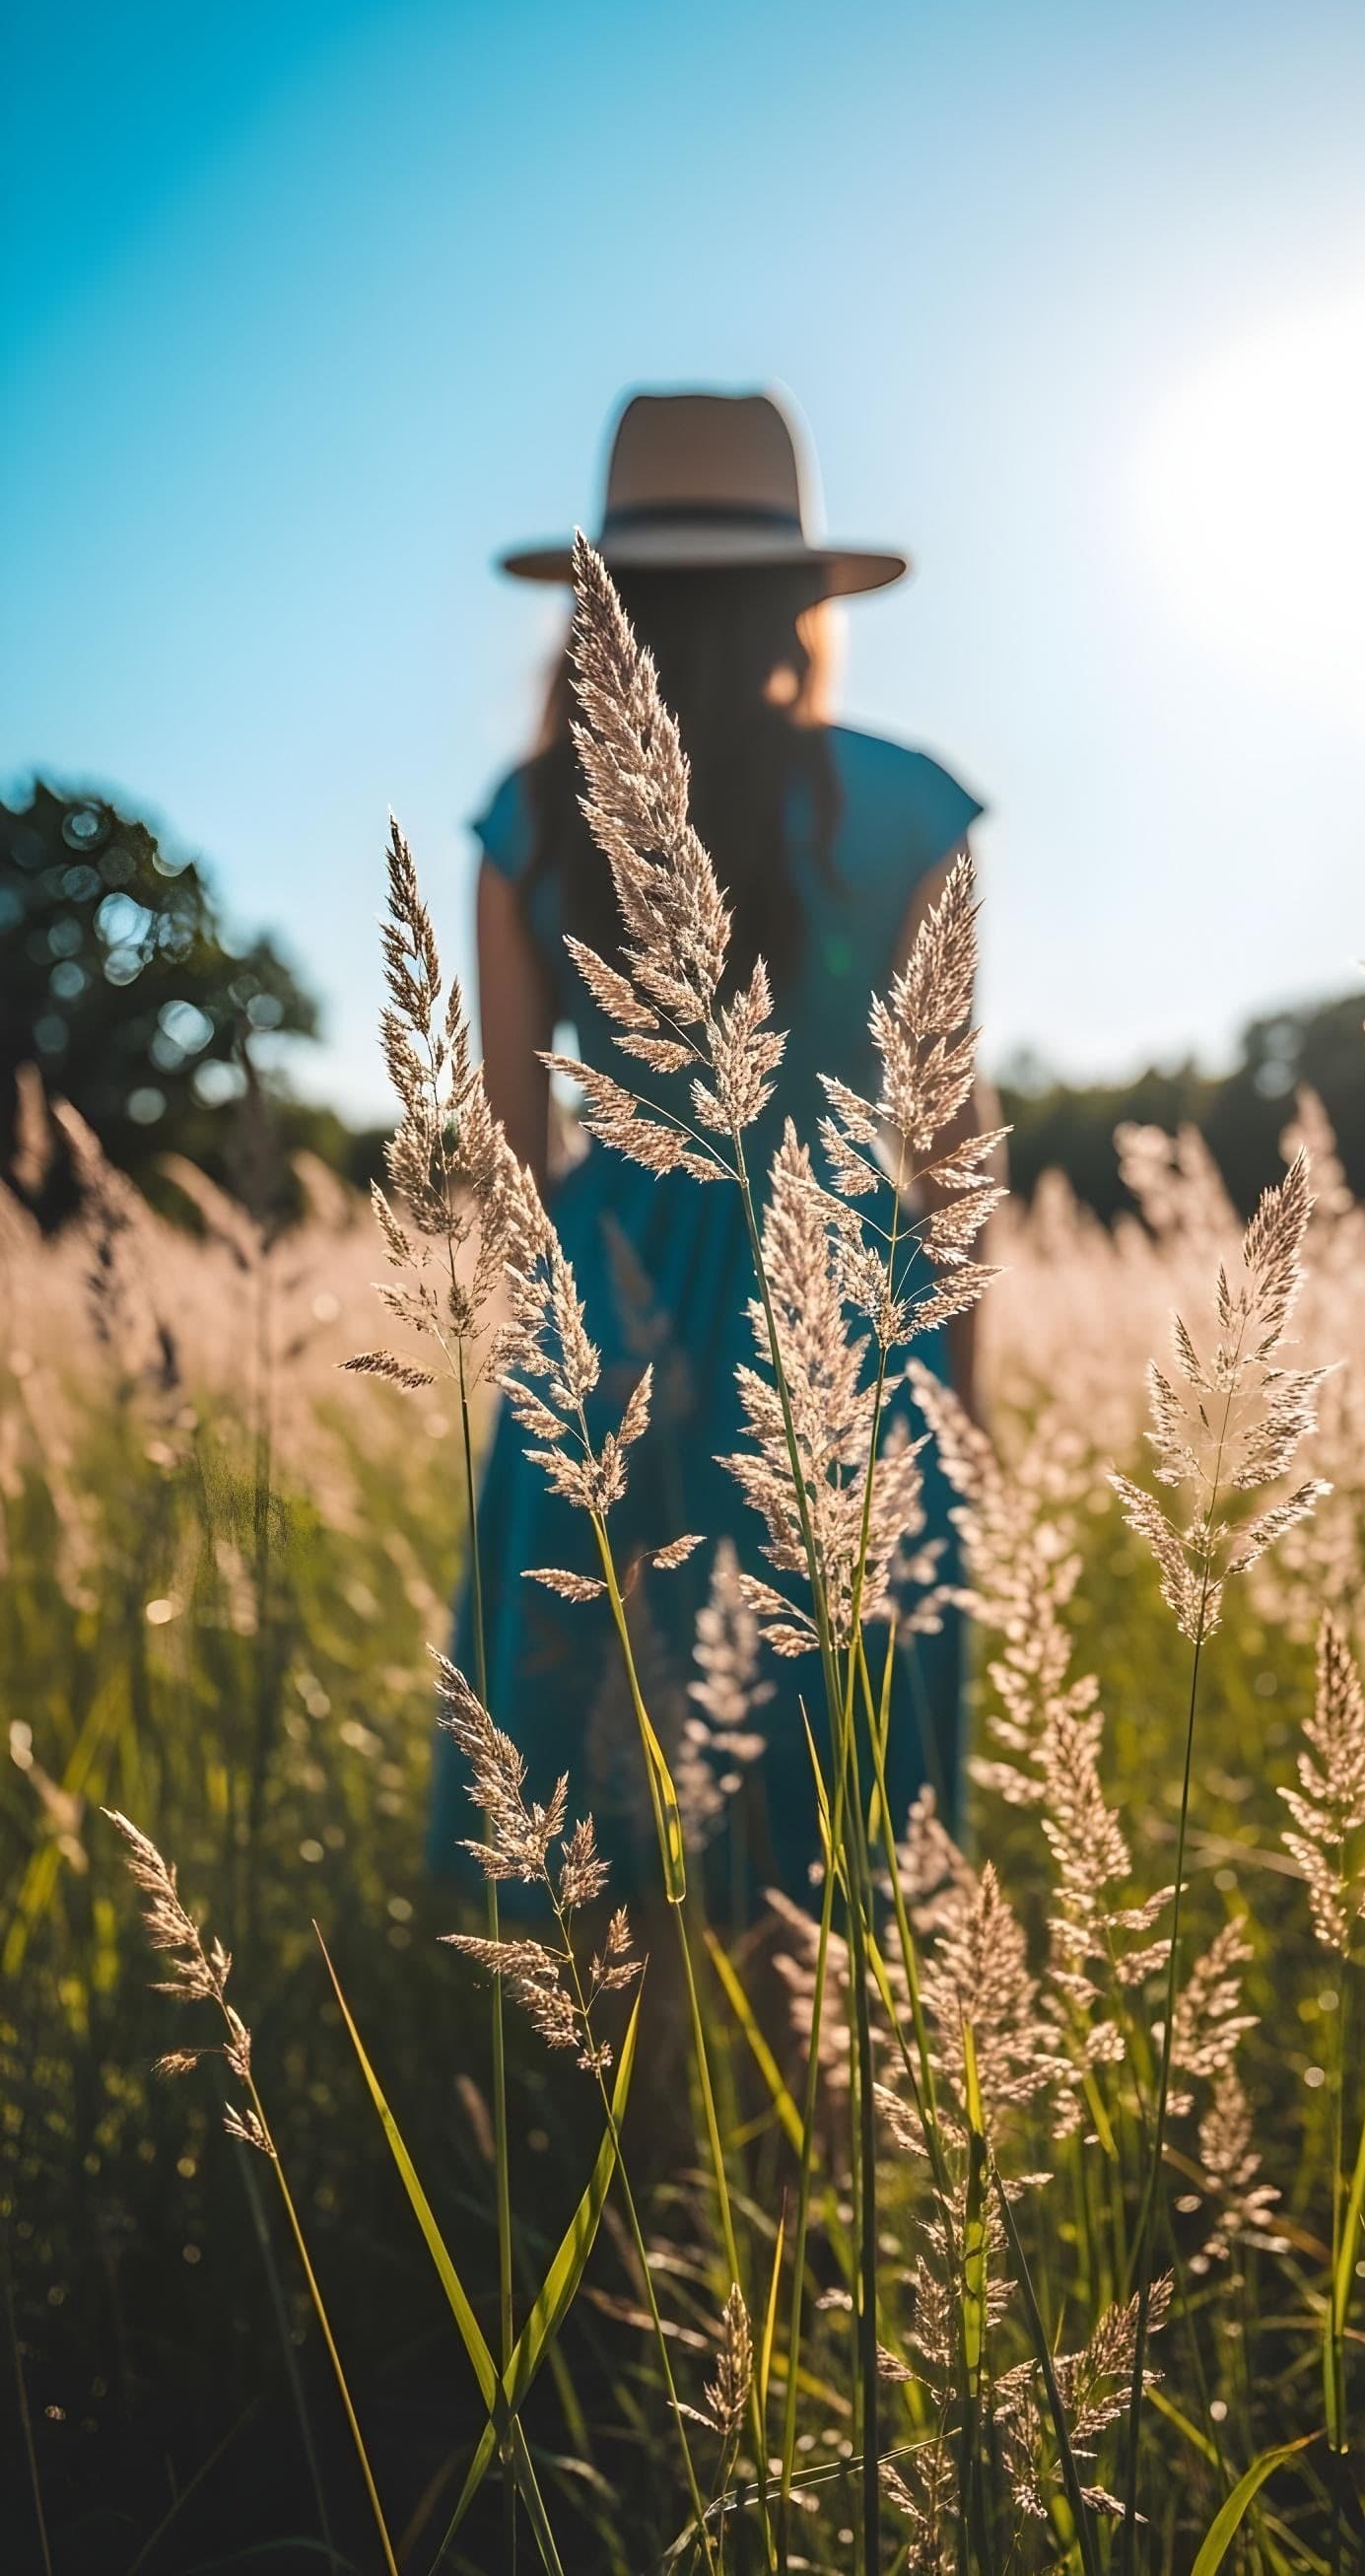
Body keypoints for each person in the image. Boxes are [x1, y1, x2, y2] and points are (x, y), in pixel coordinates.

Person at [431, 389, 990, 1921]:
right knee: (828, 1757)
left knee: (618, 1748)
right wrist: (964, 1400)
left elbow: (504, 1152)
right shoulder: (910, 805)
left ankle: (645, 2127)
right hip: (855, 1314)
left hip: (609, 1308)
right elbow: (949, 1158)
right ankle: (792, 2141)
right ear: (799, 598)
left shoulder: (525, 821)